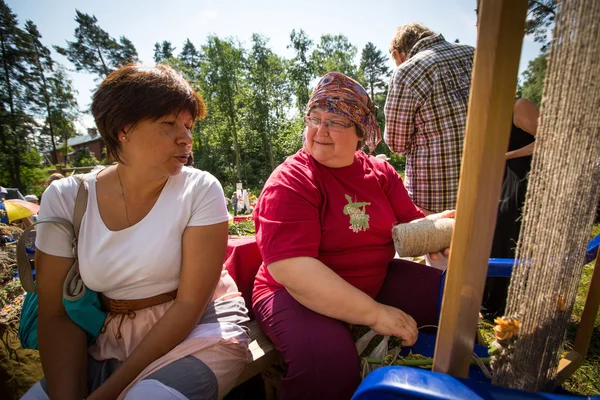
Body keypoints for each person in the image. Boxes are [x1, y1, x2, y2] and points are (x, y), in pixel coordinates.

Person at [23, 64, 249, 400]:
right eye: (168, 124)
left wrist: (109, 392)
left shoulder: (200, 189)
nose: (186, 138)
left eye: (188, 125)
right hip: (109, 336)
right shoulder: (66, 198)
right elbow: (56, 314)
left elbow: (188, 304)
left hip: (201, 327)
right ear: (122, 130)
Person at [252, 72, 454, 400]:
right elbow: (293, 271)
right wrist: (375, 314)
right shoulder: (291, 180)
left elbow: (413, 224)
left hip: (373, 279)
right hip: (292, 294)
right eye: (314, 118)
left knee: (449, 298)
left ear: (360, 131)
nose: (319, 130)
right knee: (329, 365)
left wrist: (444, 230)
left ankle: (460, 383)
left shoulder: (380, 173)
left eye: (334, 121)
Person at [384, 23, 474, 216]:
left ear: (398, 54)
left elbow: (395, 143)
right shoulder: (475, 54)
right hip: (489, 188)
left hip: (435, 200)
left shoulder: (407, 71)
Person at [482, 98, 539, 316]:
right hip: (501, 177)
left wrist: (506, 156)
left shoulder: (519, 105)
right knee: (496, 236)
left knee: (509, 234)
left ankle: (509, 304)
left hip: (522, 178)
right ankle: (493, 303)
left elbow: (551, 139)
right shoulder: (487, 115)